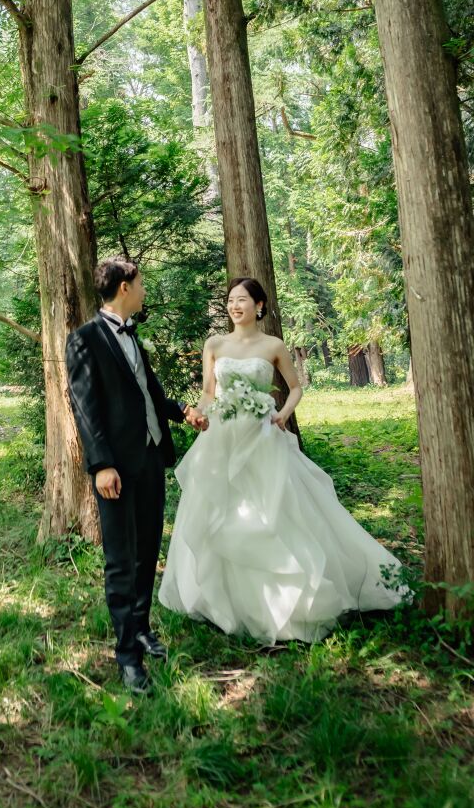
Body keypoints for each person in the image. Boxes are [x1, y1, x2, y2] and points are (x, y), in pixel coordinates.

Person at [159, 277, 407, 643]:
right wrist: (199, 414)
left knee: (274, 513)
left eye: (242, 300)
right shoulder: (214, 344)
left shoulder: (273, 345)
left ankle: (288, 599)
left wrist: (282, 414)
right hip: (222, 440)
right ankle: (222, 601)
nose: (234, 306)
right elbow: (209, 392)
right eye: (230, 300)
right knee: (220, 513)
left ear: (259, 306)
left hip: (262, 439)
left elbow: (295, 387)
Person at [66, 258, 206, 693]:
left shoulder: (134, 339)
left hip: (149, 458)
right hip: (116, 469)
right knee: (121, 559)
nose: (145, 291)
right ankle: (127, 656)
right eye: (141, 284)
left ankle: (143, 628)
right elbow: (85, 408)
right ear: (125, 287)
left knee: (147, 549)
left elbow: (150, 393)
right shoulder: (84, 339)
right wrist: (101, 464)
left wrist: (182, 411)